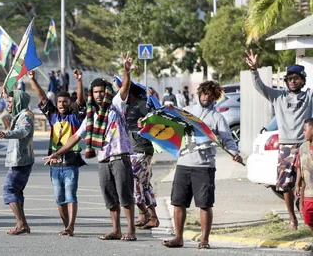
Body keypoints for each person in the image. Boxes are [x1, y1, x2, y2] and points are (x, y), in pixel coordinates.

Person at [45, 52, 137, 241]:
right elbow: (75, 138)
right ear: (91, 95)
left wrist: (126, 71)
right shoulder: (91, 116)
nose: (99, 95)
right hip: (103, 160)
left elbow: (125, 87)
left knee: (125, 196)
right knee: (110, 197)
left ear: (107, 91)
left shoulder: (116, 105)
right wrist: (57, 153)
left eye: (102, 91)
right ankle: (116, 230)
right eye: (95, 92)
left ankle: (131, 231)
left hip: (120, 157)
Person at [162, 81, 242, 249]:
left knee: (205, 204)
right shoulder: (187, 112)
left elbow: (228, 140)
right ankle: (178, 238)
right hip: (184, 163)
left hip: (205, 166)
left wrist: (235, 153)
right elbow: (169, 126)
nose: (207, 97)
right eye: (204, 93)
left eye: (211, 94)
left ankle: (204, 240)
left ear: (215, 97)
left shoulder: (217, 117)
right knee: (178, 202)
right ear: (199, 94)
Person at [246, 49, 311, 230]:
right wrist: (254, 70)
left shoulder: (309, 97)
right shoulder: (279, 97)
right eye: (289, 78)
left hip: (305, 146)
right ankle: (292, 218)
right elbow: (260, 87)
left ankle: (305, 213)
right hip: (286, 146)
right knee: (284, 185)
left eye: (296, 78)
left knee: (307, 182)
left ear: (302, 80)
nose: (292, 81)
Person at [29, 68, 86, 236]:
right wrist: (33, 80)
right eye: (59, 102)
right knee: (59, 199)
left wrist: (79, 80)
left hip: (70, 162)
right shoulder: (53, 116)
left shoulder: (75, 116)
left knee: (70, 195)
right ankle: (66, 225)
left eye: (65, 102)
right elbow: (42, 98)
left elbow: (81, 100)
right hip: (55, 164)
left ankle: (71, 227)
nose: (61, 104)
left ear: (70, 102)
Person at [0, 87, 35, 235]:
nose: (8, 104)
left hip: (21, 159)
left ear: (18, 102)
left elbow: (23, 131)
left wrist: (7, 134)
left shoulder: (26, 115)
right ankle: (23, 224)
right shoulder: (20, 113)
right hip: (19, 158)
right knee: (17, 191)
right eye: (8, 101)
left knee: (9, 189)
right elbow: (12, 108)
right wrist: (7, 95)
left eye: (11, 102)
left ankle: (21, 224)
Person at [125, 84, 160, 229]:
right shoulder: (130, 105)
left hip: (140, 150)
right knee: (144, 185)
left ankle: (144, 213)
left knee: (136, 184)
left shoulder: (142, 105)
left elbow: (156, 117)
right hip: (137, 149)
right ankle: (153, 217)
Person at [295, 118, 313, 247]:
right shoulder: (303, 147)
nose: (303, 133)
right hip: (308, 191)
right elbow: (299, 167)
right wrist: (297, 184)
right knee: (307, 218)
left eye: (305, 130)